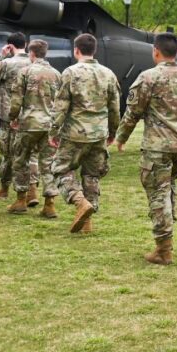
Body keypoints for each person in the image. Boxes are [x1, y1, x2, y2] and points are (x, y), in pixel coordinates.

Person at [114, 32, 177, 265]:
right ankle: (166, 235)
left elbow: (133, 111)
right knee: (168, 188)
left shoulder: (148, 78)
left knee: (158, 193)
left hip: (157, 147)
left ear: (155, 51)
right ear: (176, 52)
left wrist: (120, 138)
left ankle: (163, 250)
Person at [48, 33, 121, 234]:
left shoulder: (70, 73)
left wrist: (53, 131)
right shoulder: (108, 74)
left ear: (76, 50)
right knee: (92, 175)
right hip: (98, 133)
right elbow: (115, 108)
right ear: (94, 50)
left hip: (74, 133)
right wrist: (113, 131)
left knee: (60, 169)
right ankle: (88, 223)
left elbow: (61, 106)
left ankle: (80, 203)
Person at [6, 40, 62, 218]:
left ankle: (21, 200)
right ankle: (49, 205)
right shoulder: (56, 74)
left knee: (21, 161)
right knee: (48, 164)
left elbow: (16, 100)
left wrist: (13, 117)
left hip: (29, 124)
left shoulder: (25, 72)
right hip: (50, 125)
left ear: (31, 53)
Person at [0, 33, 31, 201]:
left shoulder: (6, 63)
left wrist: (1, 55)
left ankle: (4, 189)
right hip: (29, 115)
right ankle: (29, 191)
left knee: (7, 154)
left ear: (10, 46)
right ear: (25, 44)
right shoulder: (33, 63)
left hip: (8, 115)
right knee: (28, 154)